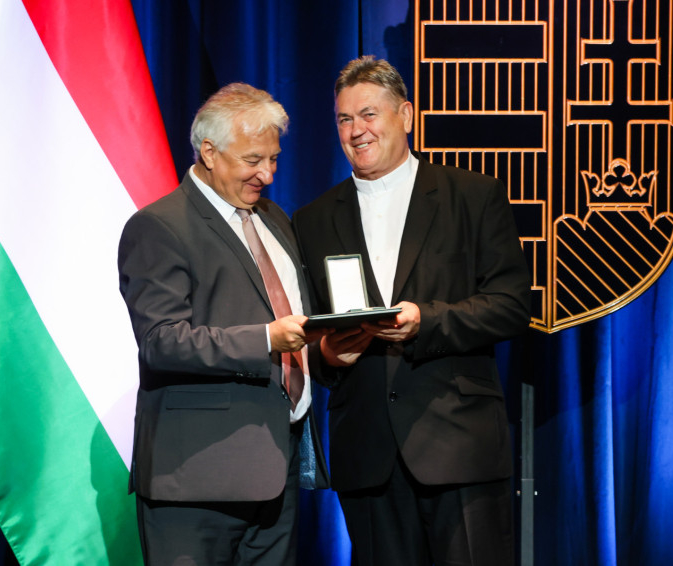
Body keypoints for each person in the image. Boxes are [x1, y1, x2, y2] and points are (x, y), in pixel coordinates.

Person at [292, 56, 531, 566]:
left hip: (459, 445)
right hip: (367, 453)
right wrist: (328, 356)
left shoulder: (472, 196)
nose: (356, 130)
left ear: (406, 115)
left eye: (369, 114)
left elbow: (512, 306)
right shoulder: (311, 220)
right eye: (344, 119)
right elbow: (305, 331)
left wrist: (428, 321)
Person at [118, 82, 329, 565]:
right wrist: (266, 339)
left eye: (273, 159)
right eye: (253, 159)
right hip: (196, 479)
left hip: (276, 473)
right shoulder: (159, 226)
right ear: (209, 153)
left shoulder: (273, 218)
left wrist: (328, 352)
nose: (267, 174)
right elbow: (161, 342)